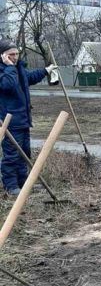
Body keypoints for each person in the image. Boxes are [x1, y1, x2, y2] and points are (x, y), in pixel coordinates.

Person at [0, 40, 57, 195]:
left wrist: (46, 70)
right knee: (12, 155)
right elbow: (8, 85)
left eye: (17, 54)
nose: (15, 57)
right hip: (9, 121)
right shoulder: (4, 71)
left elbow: (29, 77)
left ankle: (23, 183)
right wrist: (9, 67)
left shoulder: (18, 69)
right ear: (3, 55)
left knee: (24, 153)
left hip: (24, 120)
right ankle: (11, 186)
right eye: (11, 55)